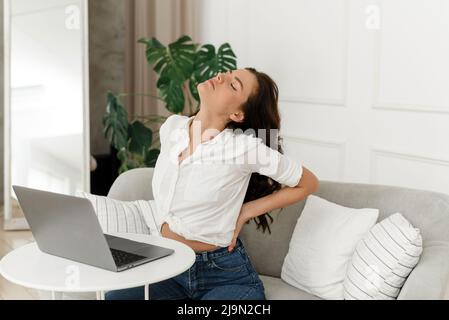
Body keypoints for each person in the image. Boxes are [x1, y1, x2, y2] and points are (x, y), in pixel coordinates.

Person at [105, 67, 319, 300]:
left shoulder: (244, 148)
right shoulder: (172, 128)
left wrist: (246, 211)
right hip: (170, 266)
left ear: (238, 114)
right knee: (116, 298)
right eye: (226, 73)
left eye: (233, 85)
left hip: (223, 276)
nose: (221, 77)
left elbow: (308, 183)